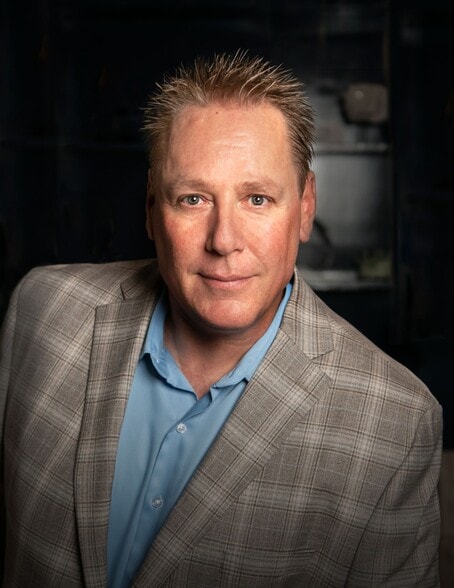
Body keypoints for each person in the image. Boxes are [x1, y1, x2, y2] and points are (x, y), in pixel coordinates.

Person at [0, 52, 442, 587]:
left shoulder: (394, 423)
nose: (224, 240)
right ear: (150, 208)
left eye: (257, 198)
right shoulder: (41, 312)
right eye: (193, 199)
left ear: (305, 208)